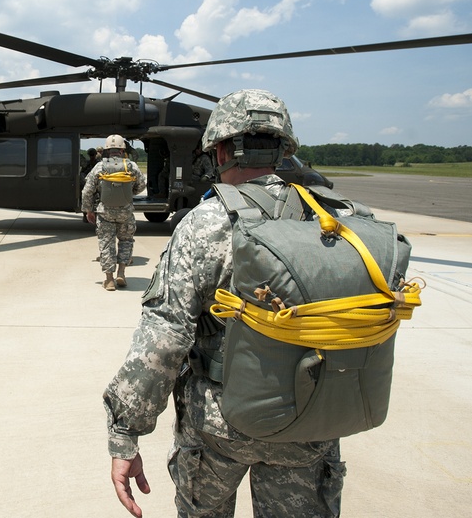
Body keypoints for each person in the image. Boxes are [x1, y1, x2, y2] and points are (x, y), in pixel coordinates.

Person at [103, 90, 345, 517]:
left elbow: (165, 336)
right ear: (284, 149)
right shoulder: (326, 218)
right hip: (309, 421)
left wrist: (126, 432)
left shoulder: (204, 224)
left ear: (219, 149)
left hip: (220, 424)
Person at [81, 134, 147, 291]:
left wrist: (89, 210)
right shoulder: (131, 166)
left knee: (106, 244)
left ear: (106, 150)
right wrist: (129, 193)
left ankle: (109, 280)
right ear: (122, 150)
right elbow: (142, 185)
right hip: (126, 212)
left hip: (105, 213)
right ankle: (121, 273)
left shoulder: (99, 167)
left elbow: (87, 191)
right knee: (126, 241)